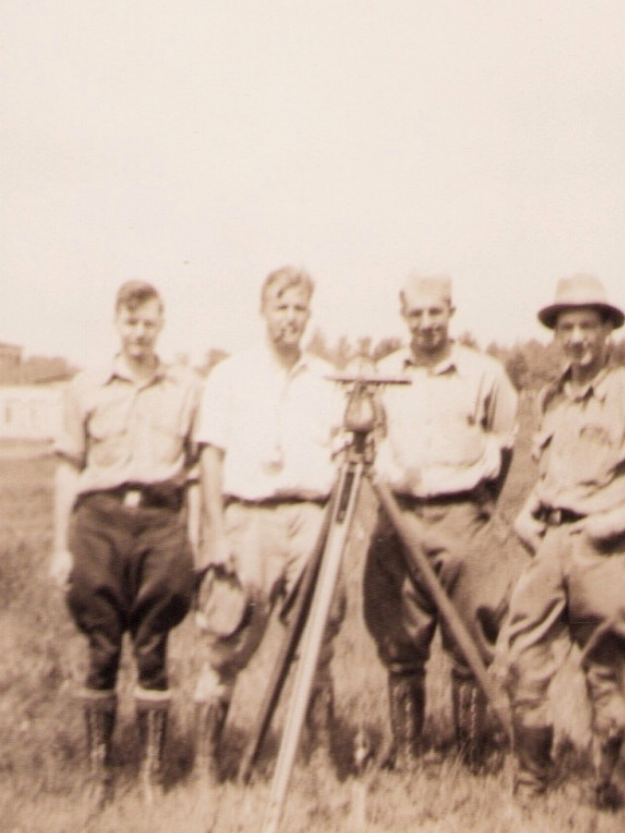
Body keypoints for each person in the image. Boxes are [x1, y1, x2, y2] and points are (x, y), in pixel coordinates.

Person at [505, 274, 625, 805]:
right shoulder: (550, 397)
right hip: (548, 546)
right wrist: (526, 513)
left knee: (603, 674)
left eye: (589, 325)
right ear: (556, 334)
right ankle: (531, 785)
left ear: (609, 329)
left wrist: (618, 521)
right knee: (522, 662)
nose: (578, 337)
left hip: (603, 550)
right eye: (567, 327)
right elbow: (551, 473)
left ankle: (603, 787)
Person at [49, 281, 202, 804]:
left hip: (161, 523)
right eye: (131, 323)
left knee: (154, 646)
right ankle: (100, 772)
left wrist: (197, 539)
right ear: (117, 323)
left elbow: (198, 472)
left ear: (162, 325)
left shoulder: (185, 387)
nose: (140, 333)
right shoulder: (85, 387)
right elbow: (69, 468)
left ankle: (152, 774)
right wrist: (60, 546)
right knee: (102, 646)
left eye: (149, 323)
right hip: (99, 522)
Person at [192, 266, 345, 783]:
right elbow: (210, 458)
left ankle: (320, 759)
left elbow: (349, 455)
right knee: (229, 638)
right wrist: (215, 534)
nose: (290, 318)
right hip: (249, 519)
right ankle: (206, 766)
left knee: (316, 642)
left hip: (310, 518)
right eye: (281, 307)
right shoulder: (230, 375)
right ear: (263, 312)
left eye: (300, 308)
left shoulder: (329, 377)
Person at [363, 274, 520, 771]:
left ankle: (471, 755)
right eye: (416, 314)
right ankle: (409, 754)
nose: (427, 323)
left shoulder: (485, 373)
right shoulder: (383, 373)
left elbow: (505, 445)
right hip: (400, 518)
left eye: (436, 312)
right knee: (401, 639)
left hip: (463, 515)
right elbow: (369, 445)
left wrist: (475, 505)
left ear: (452, 312)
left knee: (471, 636)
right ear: (402, 315)